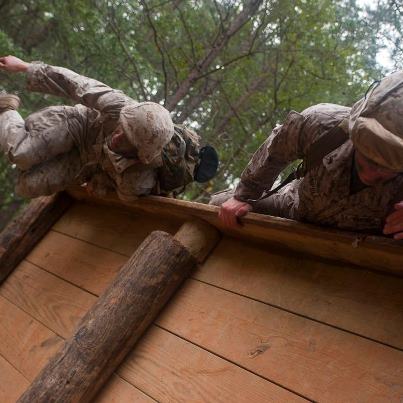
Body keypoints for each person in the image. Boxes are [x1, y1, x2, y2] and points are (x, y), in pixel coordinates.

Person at [212, 69, 403, 240]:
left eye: (386, 168)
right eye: (367, 158)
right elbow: (276, 150)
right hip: (295, 208)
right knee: (220, 208)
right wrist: (244, 196)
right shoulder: (322, 124)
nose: (370, 174)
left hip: (364, 241)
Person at [0, 55, 215, 201]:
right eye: (123, 126)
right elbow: (75, 83)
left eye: (127, 138)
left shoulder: (138, 179)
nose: (119, 134)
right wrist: (24, 67)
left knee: (26, 186)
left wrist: (98, 183)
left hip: (85, 162)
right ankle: (5, 106)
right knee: (22, 153)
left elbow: (116, 189)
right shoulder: (120, 105)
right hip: (79, 125)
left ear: (140, 154)